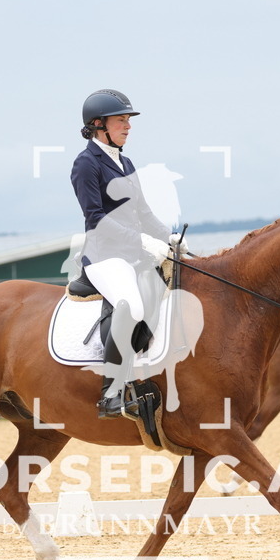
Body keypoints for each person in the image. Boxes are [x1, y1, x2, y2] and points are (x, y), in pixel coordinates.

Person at [70, 89, 178, 418]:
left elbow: (143, 211)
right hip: (105, 256)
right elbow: (96, 220)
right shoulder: (85, 164)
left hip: (134, 253)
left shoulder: (125, 161)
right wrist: (143, 242)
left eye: (128, 120)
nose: (128, 126)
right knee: (129, 304)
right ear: (98, 125)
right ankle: (111, 392)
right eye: (121, 120)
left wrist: (169, 237)